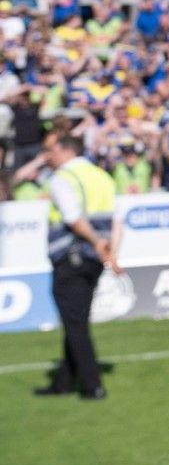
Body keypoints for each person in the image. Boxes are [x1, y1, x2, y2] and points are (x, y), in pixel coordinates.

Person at [34, 132, 121, 399]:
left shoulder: (63, 179)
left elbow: (73, 219)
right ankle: (63, 382)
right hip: (94, 261)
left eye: (51, 150)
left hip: (72, 258)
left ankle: (93, 385)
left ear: (65, 150)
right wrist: (110, 254)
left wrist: (96, 243)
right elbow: (117, 221)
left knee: (75, 324)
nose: (48, 156)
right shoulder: (102, 176)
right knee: (76, 319)